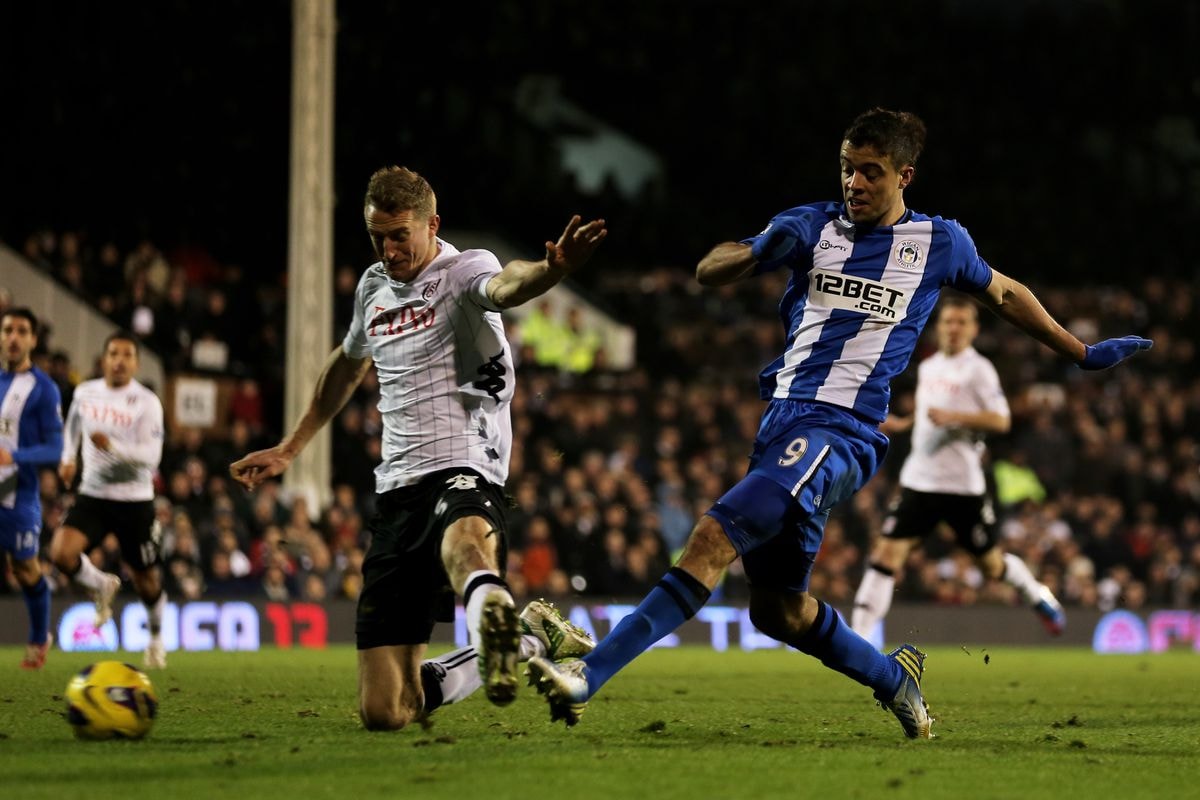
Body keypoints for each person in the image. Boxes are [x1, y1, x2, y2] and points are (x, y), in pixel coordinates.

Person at [527, 107, 1152, 739]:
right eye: (848, 169)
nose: (854, 183)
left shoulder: (939, 243)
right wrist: (754, 252)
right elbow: (709, 268)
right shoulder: (810, 226)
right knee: (777, 611)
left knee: (714, 538)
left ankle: (588, 674)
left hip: (842, 432)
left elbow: (1006, 293)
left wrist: (1079, 352)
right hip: (783, 427)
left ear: (904, 175)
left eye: (870, 173)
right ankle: (893, 679)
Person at [230, 165, 607, 730]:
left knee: (465, 549)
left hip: (465, 463)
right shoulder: (371, 288)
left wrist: (552, 270)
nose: (388, 248)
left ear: (432, 225)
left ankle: (498, 624)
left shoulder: (464, 270)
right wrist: (291, 446)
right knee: (387, 711)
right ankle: (524, 635)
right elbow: (348, 362)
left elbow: (508, 284)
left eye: (399, 234)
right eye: (377, 236)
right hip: (396, 489)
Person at [850, 296, 1066, 643]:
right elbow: (928, 413)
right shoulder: (929, 366)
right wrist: (904, 424)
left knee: (991, 565)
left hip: (962, 487)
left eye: (961, 322)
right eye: (948, 322)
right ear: (939, 327)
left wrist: (956, 418)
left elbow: (1001, 420)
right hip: (919, 481)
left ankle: (1036, 593)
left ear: (973, 329)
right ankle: (858, 643)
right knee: (886, 554)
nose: (953, 328)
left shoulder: (978, 370)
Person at [49, 330, 169, 668]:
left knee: (147, 580)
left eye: (127, 355)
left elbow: (152, 457)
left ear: (136, 362)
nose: (119, 361)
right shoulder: (86, 392)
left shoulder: (146, 402)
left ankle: (156, 639)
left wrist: (112, 448)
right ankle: (102, 584)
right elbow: (72, 424)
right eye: (113, 354)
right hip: (94, 495)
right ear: (104, 359)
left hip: (135, 501)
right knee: (61, 553)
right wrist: (68, 458)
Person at [1, 307, 63, 669]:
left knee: (24, 569)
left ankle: (40, 638)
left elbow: (54, 448)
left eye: (22, 331)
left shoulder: (43, 389)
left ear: (33, 340)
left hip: (17, 491)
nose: (13, 337)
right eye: (7, 329)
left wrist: (14, 456)